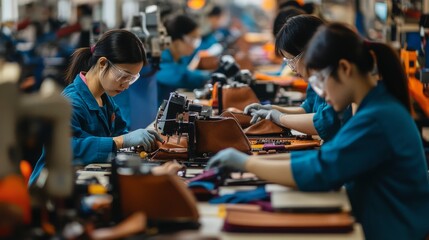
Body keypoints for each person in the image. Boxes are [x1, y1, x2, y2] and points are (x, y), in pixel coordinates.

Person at [207, 23, 429, 239]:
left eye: (320, 81)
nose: (320, 94)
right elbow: (327, 157)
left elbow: (322, 170)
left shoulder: (377, 119)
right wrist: (250, 160)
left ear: (344, 69)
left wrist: (247, 164)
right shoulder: (373, 108)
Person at [30, 29, 180, 185]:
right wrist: (121, 141)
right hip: (52, 188)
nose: (127, 85)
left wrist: (141, 143)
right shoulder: (71, 103)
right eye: (124, 76)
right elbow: (65, 148)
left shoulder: (106, 100)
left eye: (132, 79)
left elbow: (121, 134)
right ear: (102, 63)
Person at [246, 15, 352, 142]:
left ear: (309, 51)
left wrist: (280, 117)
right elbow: (307, 109)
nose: (292, 68)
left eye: (292, 60)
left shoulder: (335, 79)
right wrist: (273, 110)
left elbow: (325, 123)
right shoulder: (320, 78)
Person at [156, 15, 211, 105]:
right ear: (177, 42)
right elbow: (183, 77)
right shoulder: (159, 61)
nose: (195, 45)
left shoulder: (180, 58)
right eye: (193, 39)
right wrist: (210, 77)